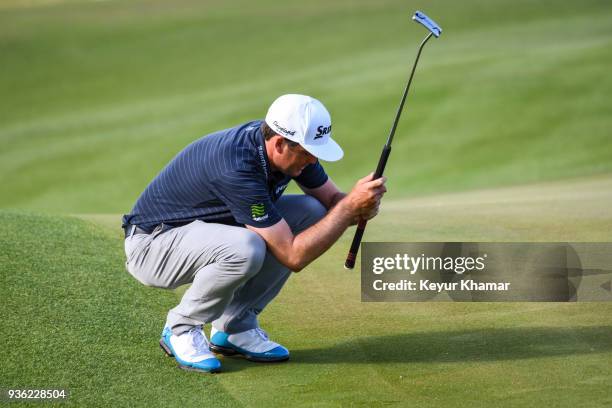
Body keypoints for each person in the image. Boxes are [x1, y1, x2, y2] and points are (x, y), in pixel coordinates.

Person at [122, 94, 386, 373]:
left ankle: (234, 327)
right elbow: (293, 255)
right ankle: (181, 328)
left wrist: (359, 205)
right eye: (308, 152)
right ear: (280, 143)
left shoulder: (284, 149)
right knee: (246, 248)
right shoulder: (237, 166)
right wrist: (348, 210)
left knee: (311, 210)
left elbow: (333, 202)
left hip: (199, 233)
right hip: (152, 246)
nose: (312, 160)